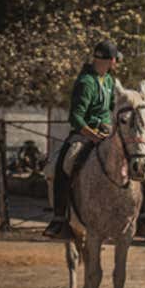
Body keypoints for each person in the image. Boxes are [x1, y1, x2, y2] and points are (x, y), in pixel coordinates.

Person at [44, 41, 119, 238]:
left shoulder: (109, 80)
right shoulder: (86, 82)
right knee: (64, 164)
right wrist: (93, 135)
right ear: (111, 60)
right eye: (116, 60)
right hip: (85, 133)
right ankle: (59, 217)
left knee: (132, 158)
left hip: (107, 132)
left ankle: (143, 214)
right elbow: (75, 117)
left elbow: (112, 108)